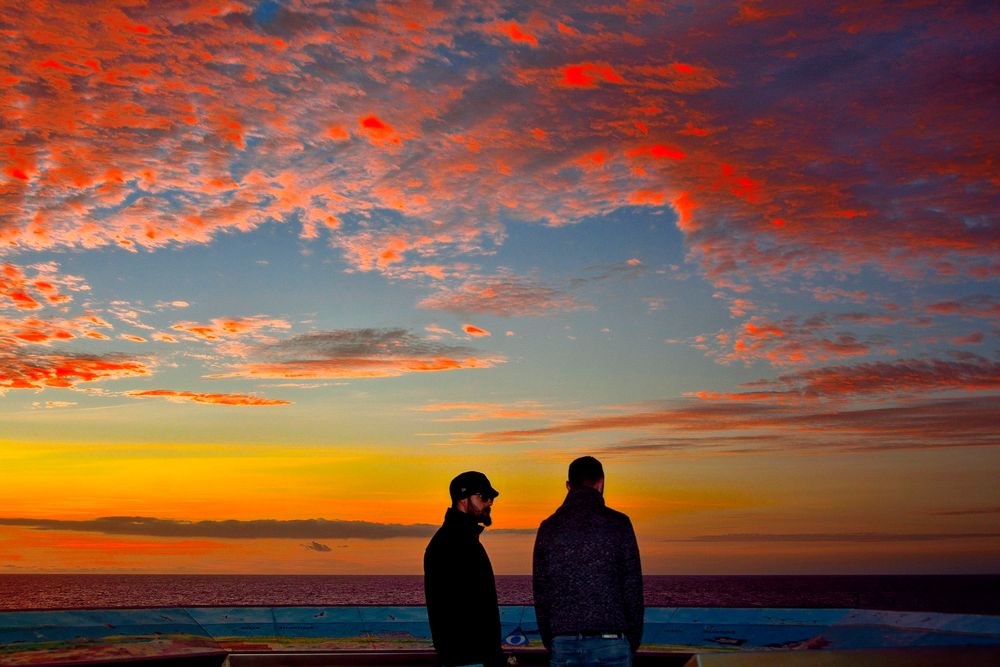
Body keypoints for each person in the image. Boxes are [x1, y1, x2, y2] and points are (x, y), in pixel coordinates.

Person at [532, 456, 643, 666]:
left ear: (568, 486)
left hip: (563, 640)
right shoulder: (618, 524)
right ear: (600, 482)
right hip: (611, 640)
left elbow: (541, 591)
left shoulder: (549, 527)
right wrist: (632, 639)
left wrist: (552, 637)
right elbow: (632, 587)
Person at [424, 470, 505, 667]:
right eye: (484, 497)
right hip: (469, 657)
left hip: (468, 655)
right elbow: (462, 605)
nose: (490, 502)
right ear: (463, 498)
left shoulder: (457, 539)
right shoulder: (455, 542)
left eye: (492, 497)